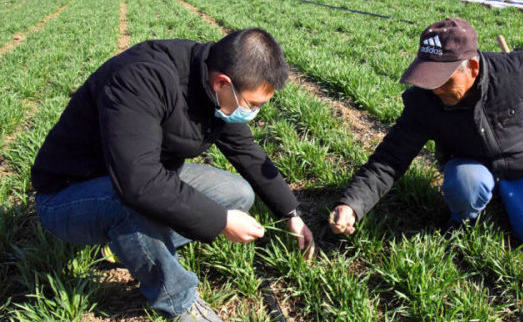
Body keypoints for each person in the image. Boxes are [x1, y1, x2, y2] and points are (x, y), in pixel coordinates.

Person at [31, 29, 315, 321]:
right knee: (129, 204)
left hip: (135, 177)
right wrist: (221, 220)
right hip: (70, 195)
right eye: (253, 105)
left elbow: (245, 150)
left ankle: (129, 246)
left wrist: (290, 212)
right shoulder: (144, 79)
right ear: (223, 82)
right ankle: (178, 302)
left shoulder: (214, 87)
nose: (254, 113)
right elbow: (138, 182)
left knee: (238, 194)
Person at [329, 18, 523, 251]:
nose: (436, 90)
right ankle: (465, 214)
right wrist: (351, 205)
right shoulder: (424, 101)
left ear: (472, 66)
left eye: (443, 81)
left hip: (522, 165)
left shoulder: (518, 71)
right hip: (471, 168)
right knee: (466, 184)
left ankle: (505, 194)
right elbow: (390, 158)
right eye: (429, 79)